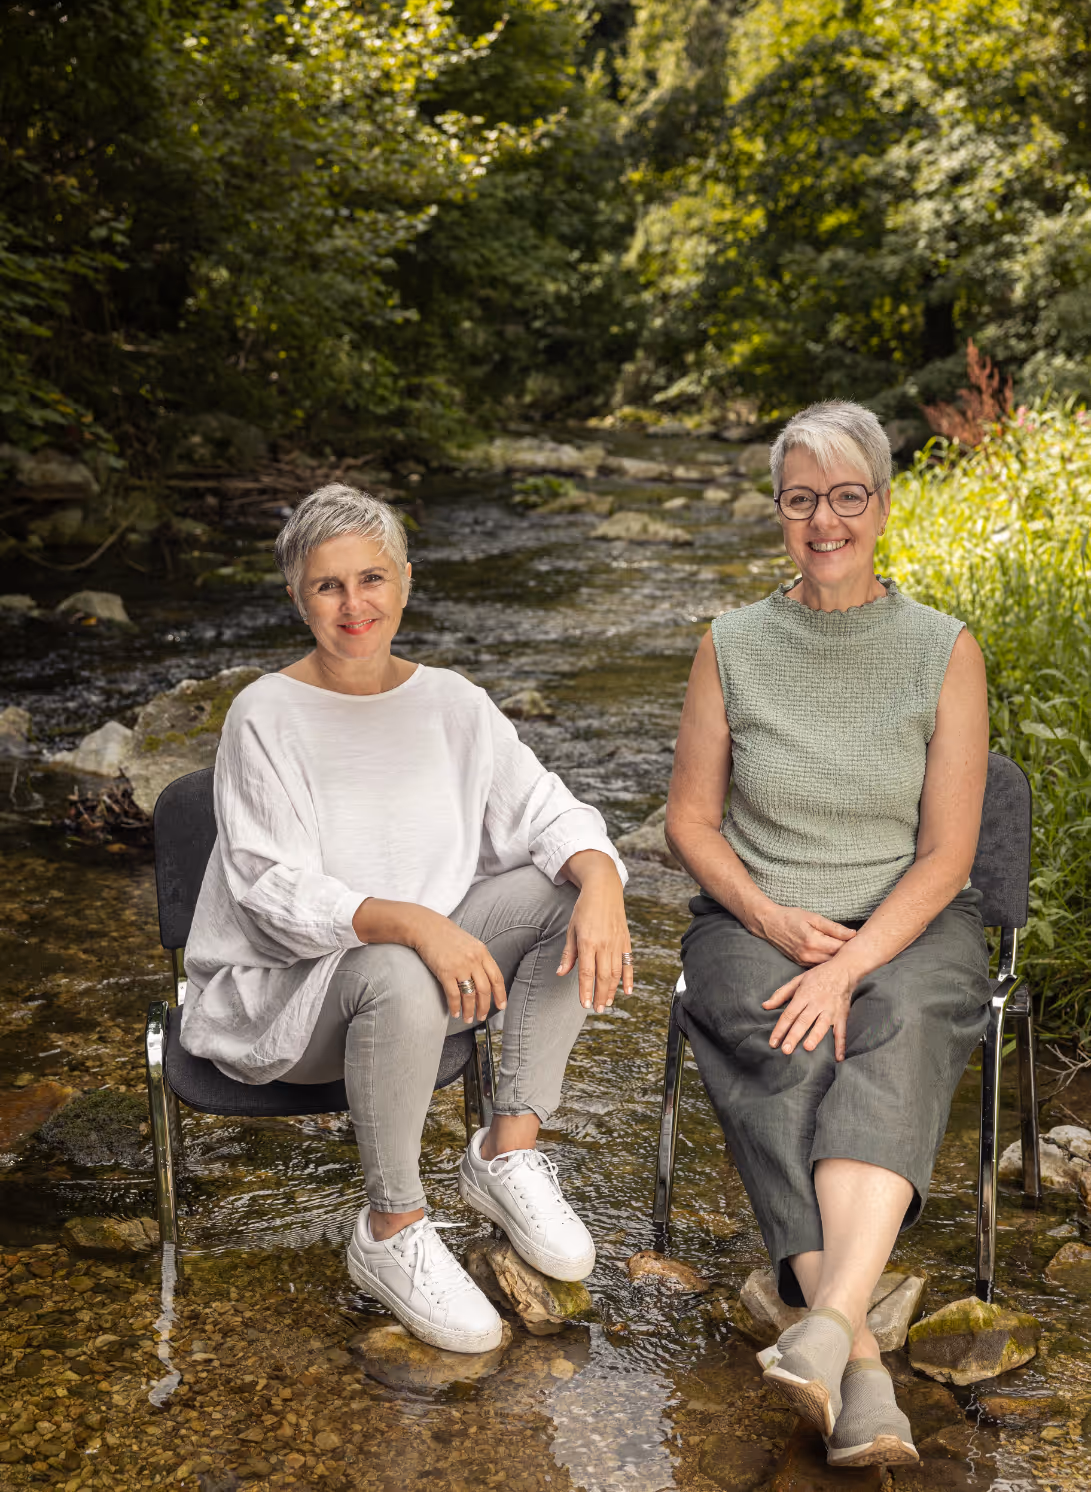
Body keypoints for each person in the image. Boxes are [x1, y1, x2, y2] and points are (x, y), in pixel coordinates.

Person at [181, 482, 632, 1354]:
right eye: (328, 585)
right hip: (291, 997)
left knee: (567, 892)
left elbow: (547, 811)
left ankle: (505, 1151)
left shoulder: (453, 702)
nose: (354, 604)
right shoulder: (264, 714)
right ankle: (390, 1229)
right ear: (296, 597)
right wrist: (416, 924)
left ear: (406, 581)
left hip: (432, 981)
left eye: (372, 578)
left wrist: (603, 881)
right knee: (391, 965)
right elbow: (270, 893)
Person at [665, 401, 990, 1467]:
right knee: (785, 1041)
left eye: (846, 496)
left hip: (909, 917)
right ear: (777, 513)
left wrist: (850, 963)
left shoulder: (943, 650)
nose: (824, 520)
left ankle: (829, 1318)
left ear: (882, 507)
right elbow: (688, 823)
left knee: (897, 1028)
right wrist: (765, 915)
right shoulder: (729, 645)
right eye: (800, 499)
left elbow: (946, 853)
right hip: (755, 916)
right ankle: (859, 1362)